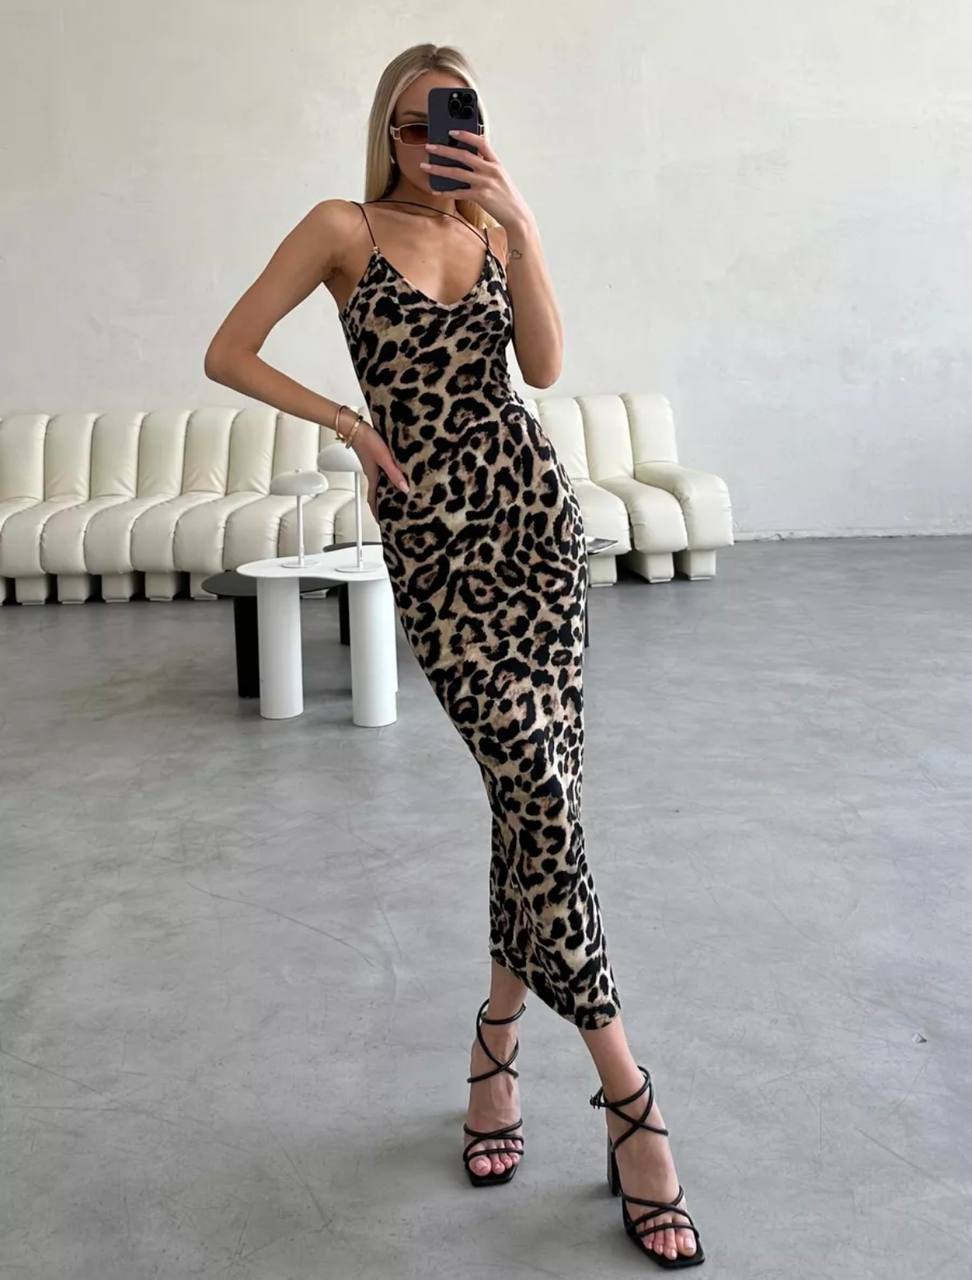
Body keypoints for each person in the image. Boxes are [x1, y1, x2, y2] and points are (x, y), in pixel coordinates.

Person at [204, 41, 703, 1269]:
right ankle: (629, 1093)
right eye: (421, 121)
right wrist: (347, 421)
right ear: (390, 128)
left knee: (534, 804)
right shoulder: (343, 226)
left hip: (537, 528)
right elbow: (228, 349)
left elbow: (544, 369)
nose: (441, 141)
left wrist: (520, 220)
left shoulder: (487, 228)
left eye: (460, 120)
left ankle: (496, 1044)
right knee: (538, 793)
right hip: (437, 550)